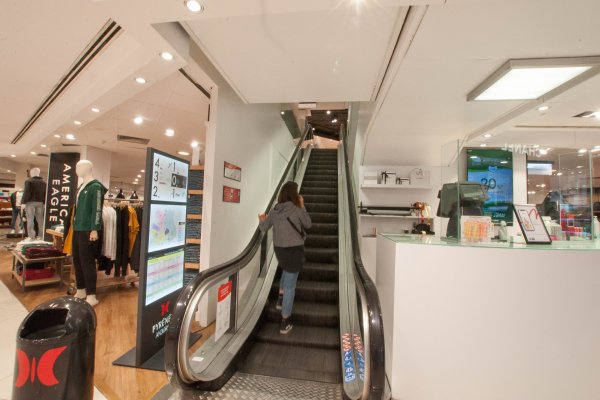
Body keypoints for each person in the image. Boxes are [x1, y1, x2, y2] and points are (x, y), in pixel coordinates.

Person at [258, 181, 311, 334]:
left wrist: (262, 219)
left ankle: (281, 300)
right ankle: (285, 321)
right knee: (290, 286)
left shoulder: (275, 210)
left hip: (279, 250)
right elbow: (308, 224)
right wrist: (302, 205)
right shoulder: (297, 209)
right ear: (294, 194)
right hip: (294, 249)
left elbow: (264, 228)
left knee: (286, 270)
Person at [71, 160, 107, 306]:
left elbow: (97, 209)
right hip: (77, 228)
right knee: (77, 259)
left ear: (87, 168)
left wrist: (94, 229)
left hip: (88, 230)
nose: (76, 169)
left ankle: (91, 294)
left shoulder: (96, 187)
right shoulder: (81, 187)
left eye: (78, 167)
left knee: (87, 262)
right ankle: (81, 289)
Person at [22, 168, 46, 240]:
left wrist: (23, 202)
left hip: (30, 202)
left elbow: (27, 192)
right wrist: (44, 202)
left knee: (30, 219)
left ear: (32, 173)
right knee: (40, 219)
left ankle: (31, 236)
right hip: (40, 203)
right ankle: (41, 235)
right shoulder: (44, 182)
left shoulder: (28, 181)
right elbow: (45, 193)